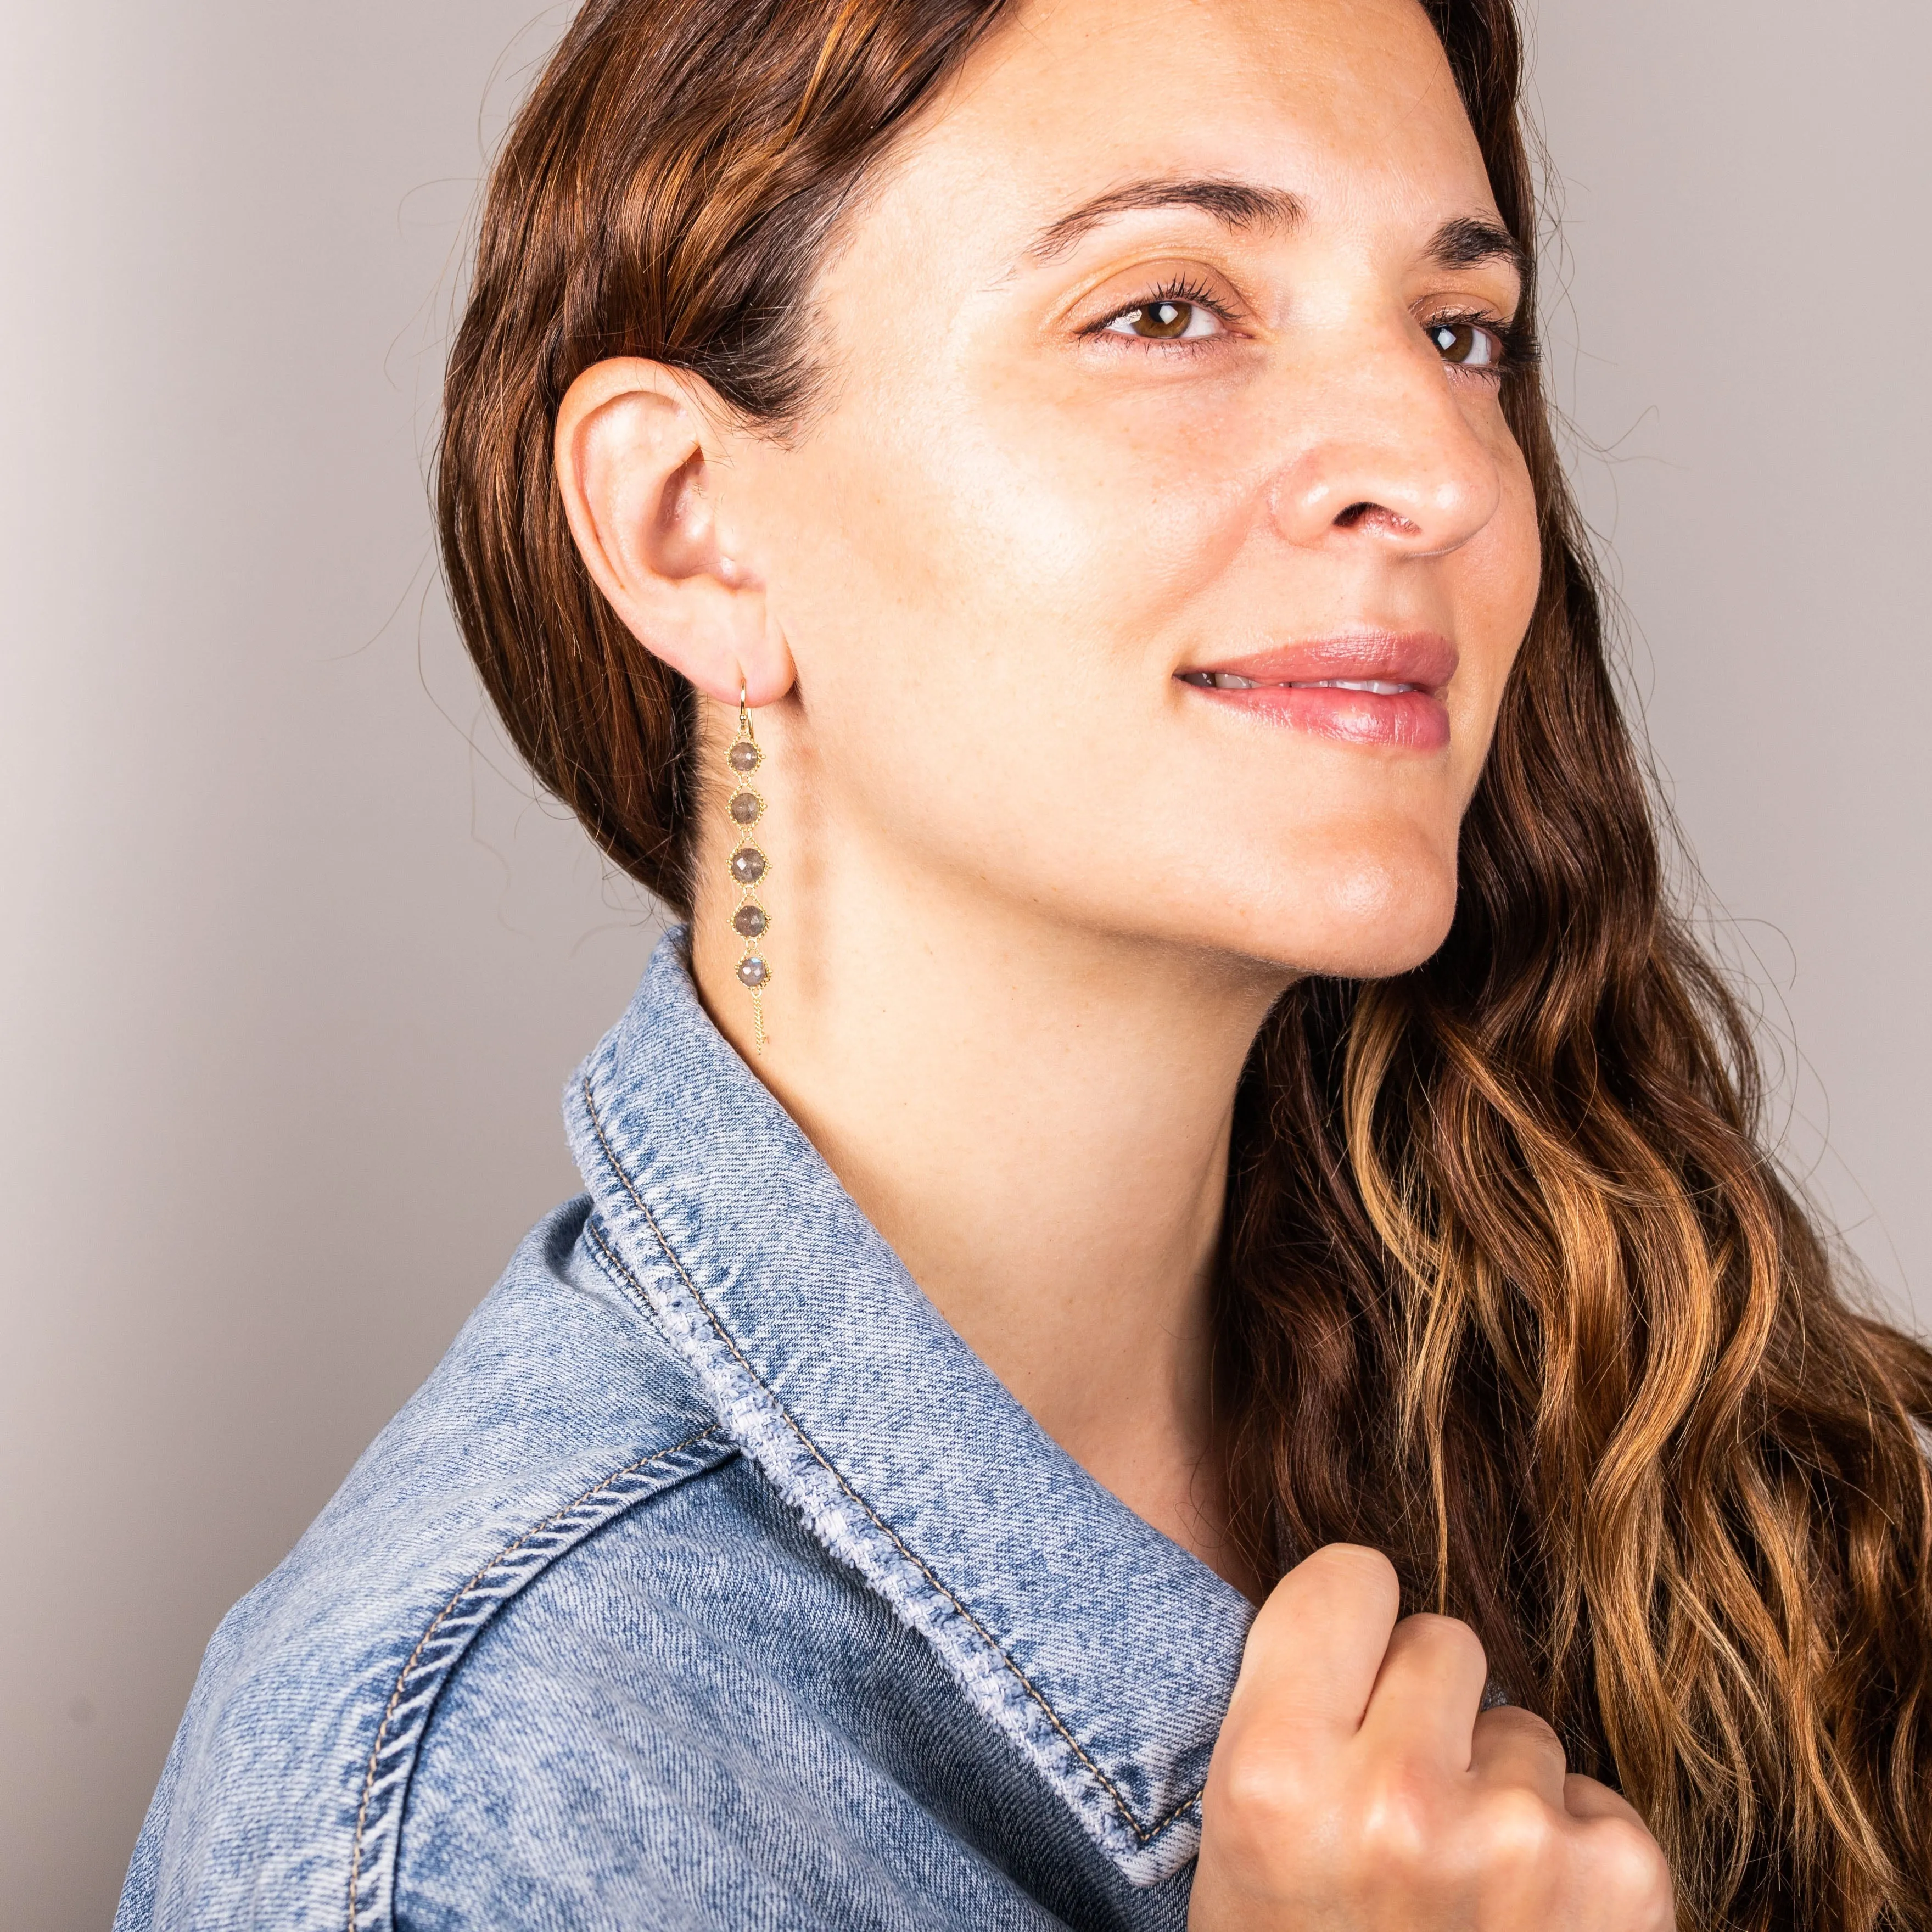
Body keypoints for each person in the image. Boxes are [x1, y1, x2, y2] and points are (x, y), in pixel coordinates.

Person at [116, 0, 1932, 1926]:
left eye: (1456, 330)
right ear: (689, 526)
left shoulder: (1645, 1407)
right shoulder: (469, 1826)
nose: (1447, 472)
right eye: (1167, 308)